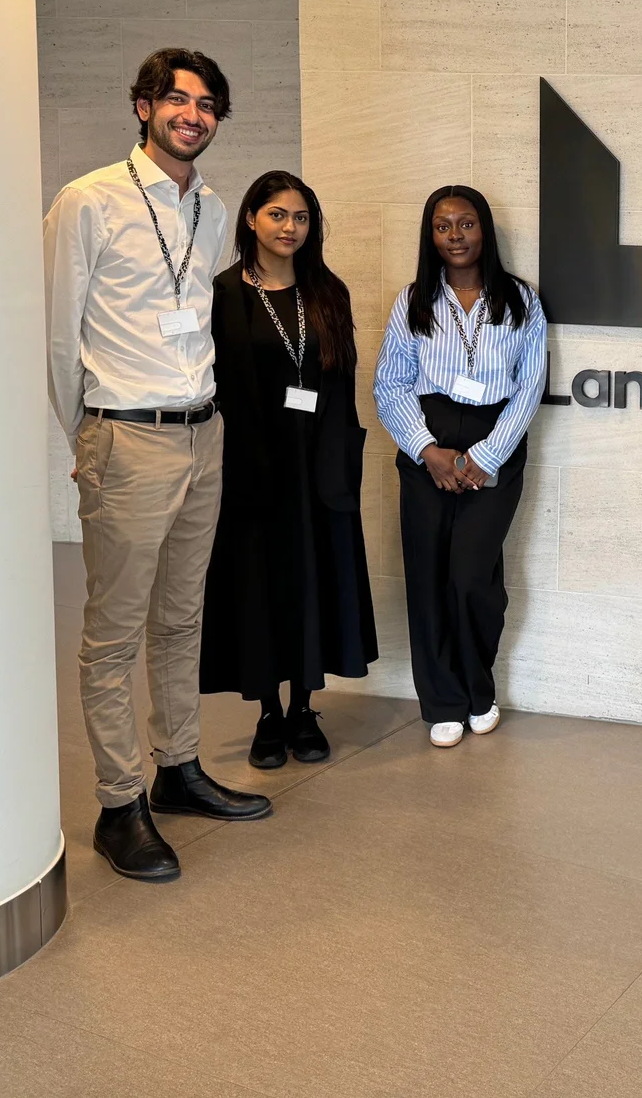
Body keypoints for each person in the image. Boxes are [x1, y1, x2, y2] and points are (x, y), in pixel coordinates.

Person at [44, 48, 273, 886]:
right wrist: (90, 434)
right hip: (126, 435)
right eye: (178, 99)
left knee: (180, 620)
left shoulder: (211, 210)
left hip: (200, 432)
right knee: (112, 633)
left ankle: (178, 769)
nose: (194, 114)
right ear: (142, 106)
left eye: (209, 103)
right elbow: (57, 335)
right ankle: (118, 804)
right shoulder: (90, 200)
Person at [200, 172, 377, 769]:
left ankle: (305, 707)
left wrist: (341, 460)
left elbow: (342, 383)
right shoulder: (225, 293)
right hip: (254, 466)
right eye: (277, 214)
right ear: (251, 218)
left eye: (301, 217)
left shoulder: (328, 292)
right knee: (262, 586)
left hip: (319, 465)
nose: (290, 228)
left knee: (315, 582)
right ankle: (269, 714)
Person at [375, 185, 547, 749]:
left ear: (484, 229)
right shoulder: (413, 301)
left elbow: (529, 387)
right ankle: (444, 700)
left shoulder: (521, 301)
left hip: (495, 438)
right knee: (427, 576)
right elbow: (389, 384)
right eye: (443, 226)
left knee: (473, 576)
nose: (455, 236)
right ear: (431, 236)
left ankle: (479, 687)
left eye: (466, 224)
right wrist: (428, 450)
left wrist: (487, 456)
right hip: (426, 439)